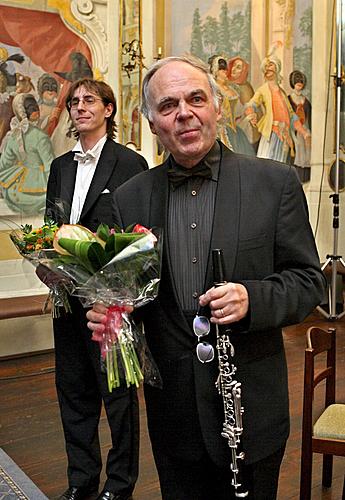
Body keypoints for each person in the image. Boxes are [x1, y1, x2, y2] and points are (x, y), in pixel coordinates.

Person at [86, 55, 326, 500]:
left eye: (196, 98)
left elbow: (309, 282)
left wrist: (252, 298)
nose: (184, 112)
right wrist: (112, 318)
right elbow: (131, 297)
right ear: (153, 123)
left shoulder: (275, 183)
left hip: (251, 410)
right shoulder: (129, 198)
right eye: (168, 105)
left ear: (217, 107)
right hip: (174, 416)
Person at [39, 78, 148, 500]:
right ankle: (81, 481)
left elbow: (140, 235)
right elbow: (52, 229)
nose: (79, 107)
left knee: (118, 398)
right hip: (67, 301)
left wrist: (120, 289)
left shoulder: (129, 162)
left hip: (111, 306)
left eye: (89, 101)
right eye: (74, 102)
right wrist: (46, 266)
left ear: (108, 109)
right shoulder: (59, 167)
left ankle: (119, 486)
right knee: (73, 394)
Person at [245, 52, 311, 164]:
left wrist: (304, 133)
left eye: (270, 65)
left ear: (277, 67)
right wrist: (252, 115)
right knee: (265, 166)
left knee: (280, 167)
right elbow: (251, 104)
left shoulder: (283, 93)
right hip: (271, 134)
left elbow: (292, 116)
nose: (267, 68)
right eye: (265, 66)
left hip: (284, 137)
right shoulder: (263, 89)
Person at [0, 92, 54, 214]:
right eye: (30, 107)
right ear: (22, 111)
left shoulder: (13, 136)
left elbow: (3, 164)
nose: (36, 109)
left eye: (35, 105)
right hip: (38, 192)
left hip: (12, 196)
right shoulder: (40, 137)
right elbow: (50, 166)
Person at [208, 55, 255, 156]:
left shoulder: (232, 89)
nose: (225, 72)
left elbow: (239, 111)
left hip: (235, 130)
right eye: (222, 70)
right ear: (215, 72)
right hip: (221, 130)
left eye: (225, 69)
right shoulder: (214, 90)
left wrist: (248, 113)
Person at [288, 70, 312, 183]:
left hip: (305, 128)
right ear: (293, 84)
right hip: (292, 130)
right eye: (297, 82)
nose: (299, 85)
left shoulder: (306, 101)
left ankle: (306, 178)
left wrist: (307, 131)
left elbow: (309, 118)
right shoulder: (288, 99)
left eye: (301, 83)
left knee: (307, 149)